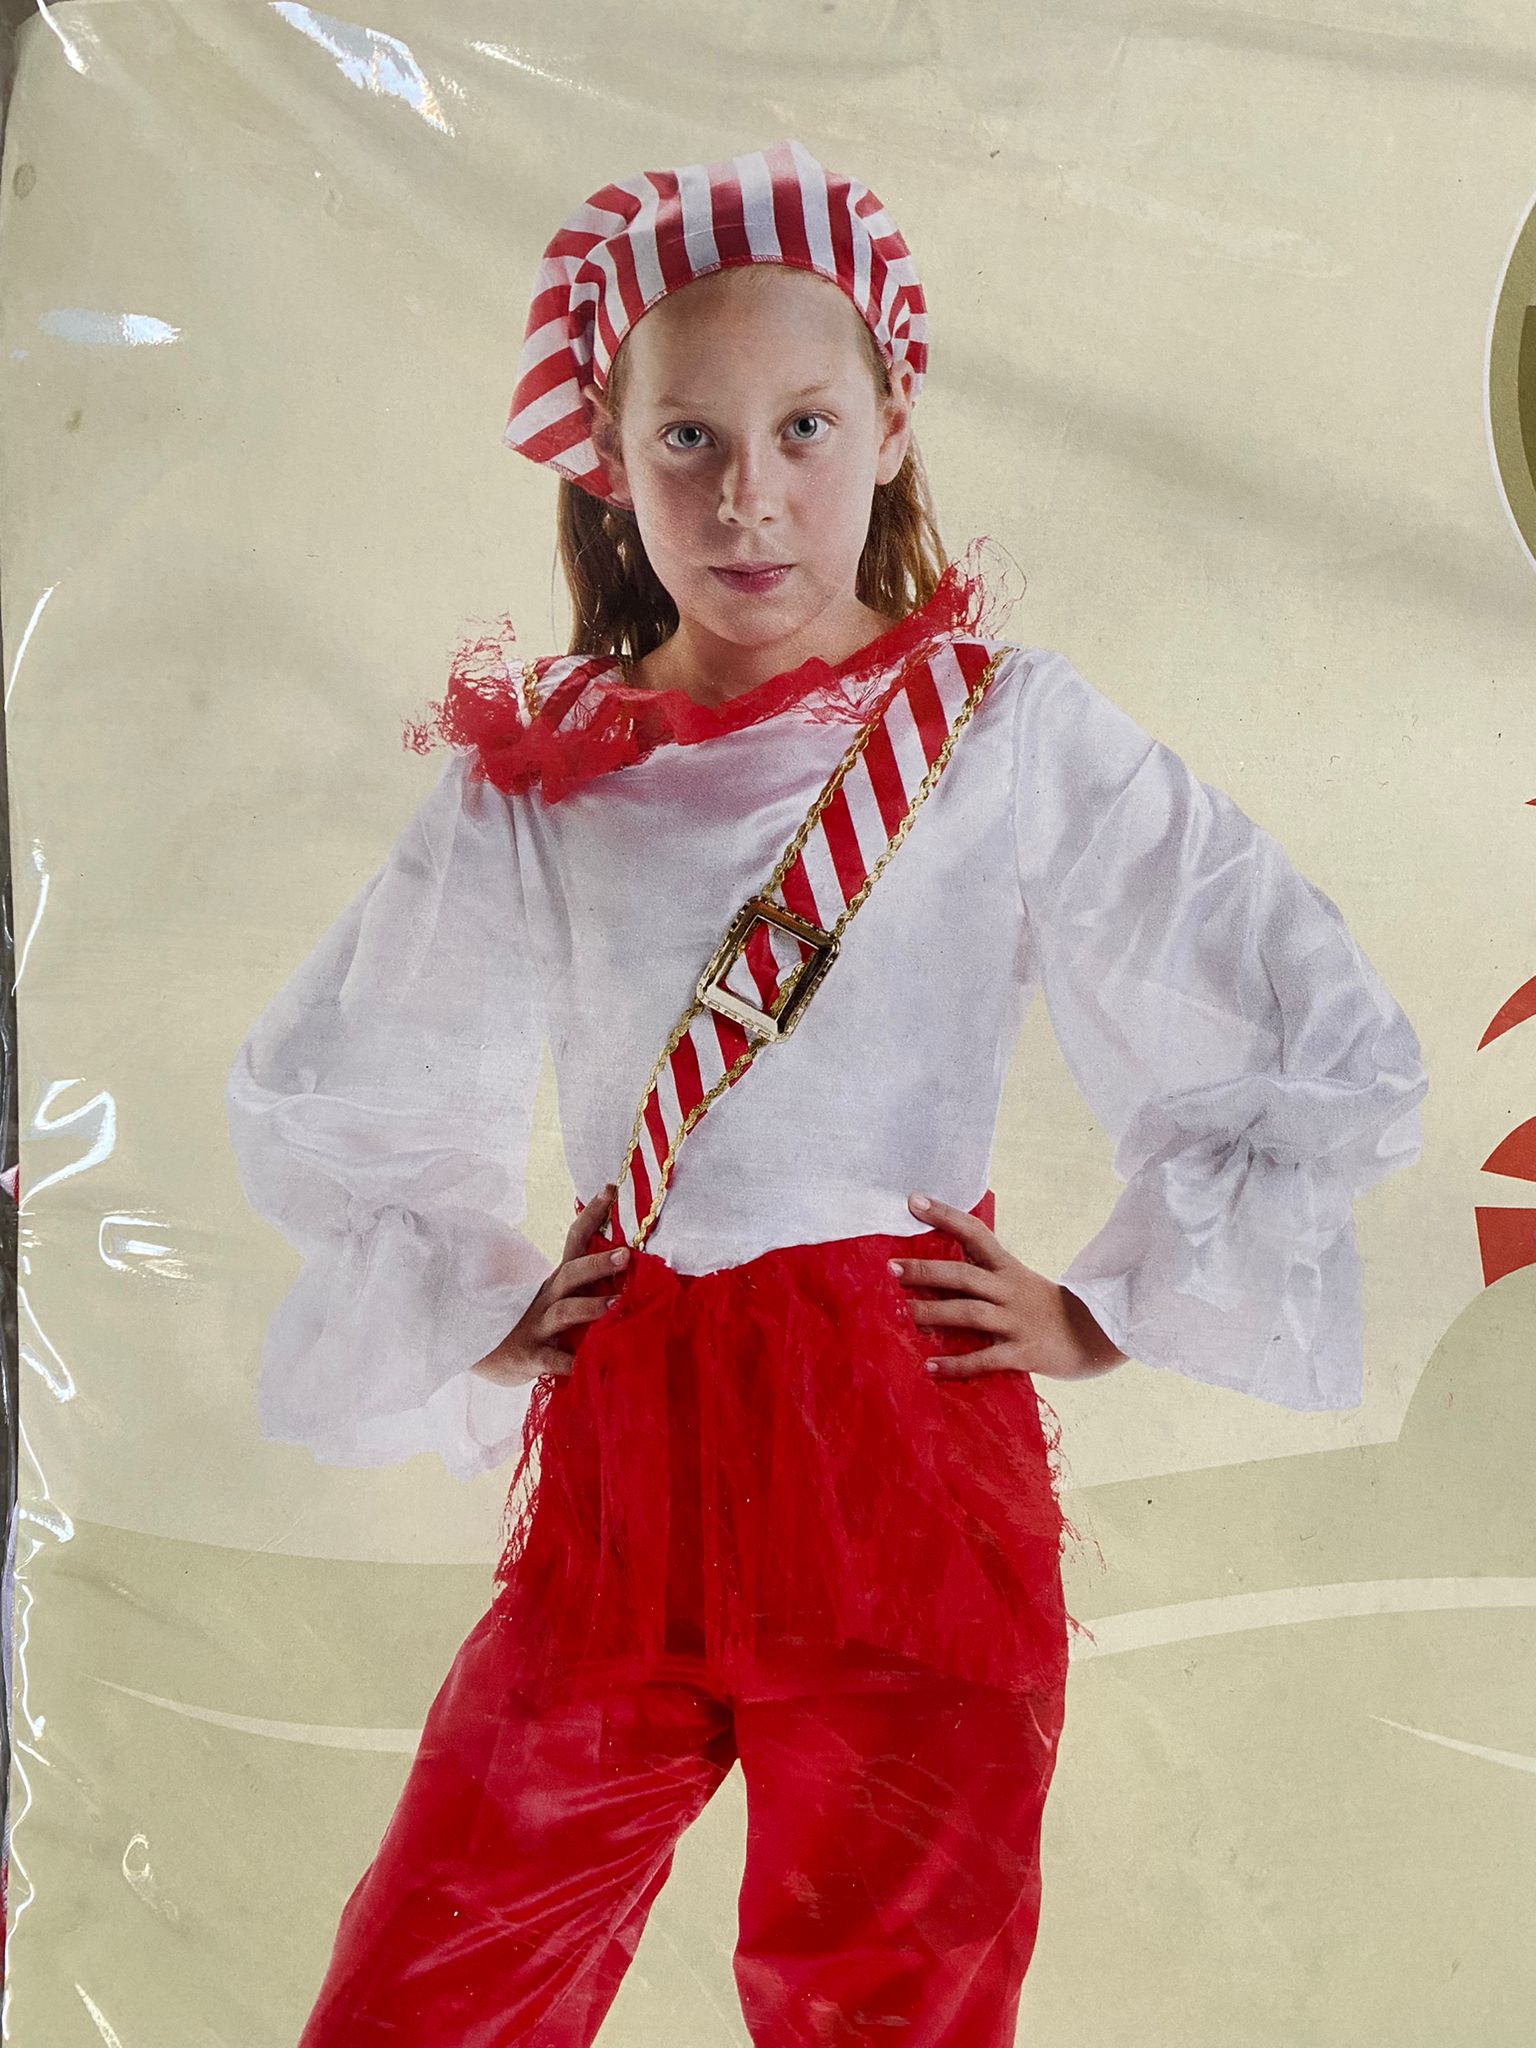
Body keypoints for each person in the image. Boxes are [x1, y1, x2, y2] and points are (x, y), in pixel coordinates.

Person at [225, 138, 1428, 2048]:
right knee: (427, 1985)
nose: (750, 497)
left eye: (802, 427)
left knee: (888, 2006)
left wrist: (1109, 1306)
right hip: (626, 1473)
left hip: (905, 1465)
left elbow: (1303, 1016)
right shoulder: (551, 775)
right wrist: (472, 1297)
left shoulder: (1000, 735)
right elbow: (346, 1075)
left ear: (889, 423)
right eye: (687, 442)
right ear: (609, 463)